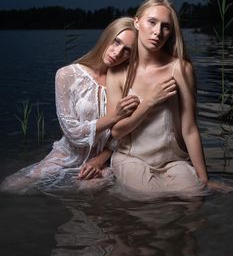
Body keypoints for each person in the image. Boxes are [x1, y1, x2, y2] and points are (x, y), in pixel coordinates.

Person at [0, 17, 140, 195]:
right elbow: (72, 133)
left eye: (127, 51)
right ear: (107, 37)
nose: (117, 52)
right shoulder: (67, 75)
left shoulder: (126, 82)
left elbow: (124, 134)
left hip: (106, 157)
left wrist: (100, 160)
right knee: (10, 186)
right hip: (67, 154)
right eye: (116, 42)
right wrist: (114, 116)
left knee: (90, 189)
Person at [107, 0, 210, 198]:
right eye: (152, 22)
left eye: (166, 27)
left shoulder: (180, 68)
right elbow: (116, 132)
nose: (157, 32)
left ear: (171, 32)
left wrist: (203, 178)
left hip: (173, 160)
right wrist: (150, 101)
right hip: (131, 158)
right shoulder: (118, 73)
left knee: (195, 195)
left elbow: (189, 129)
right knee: (150, 201)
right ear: (137, 22)